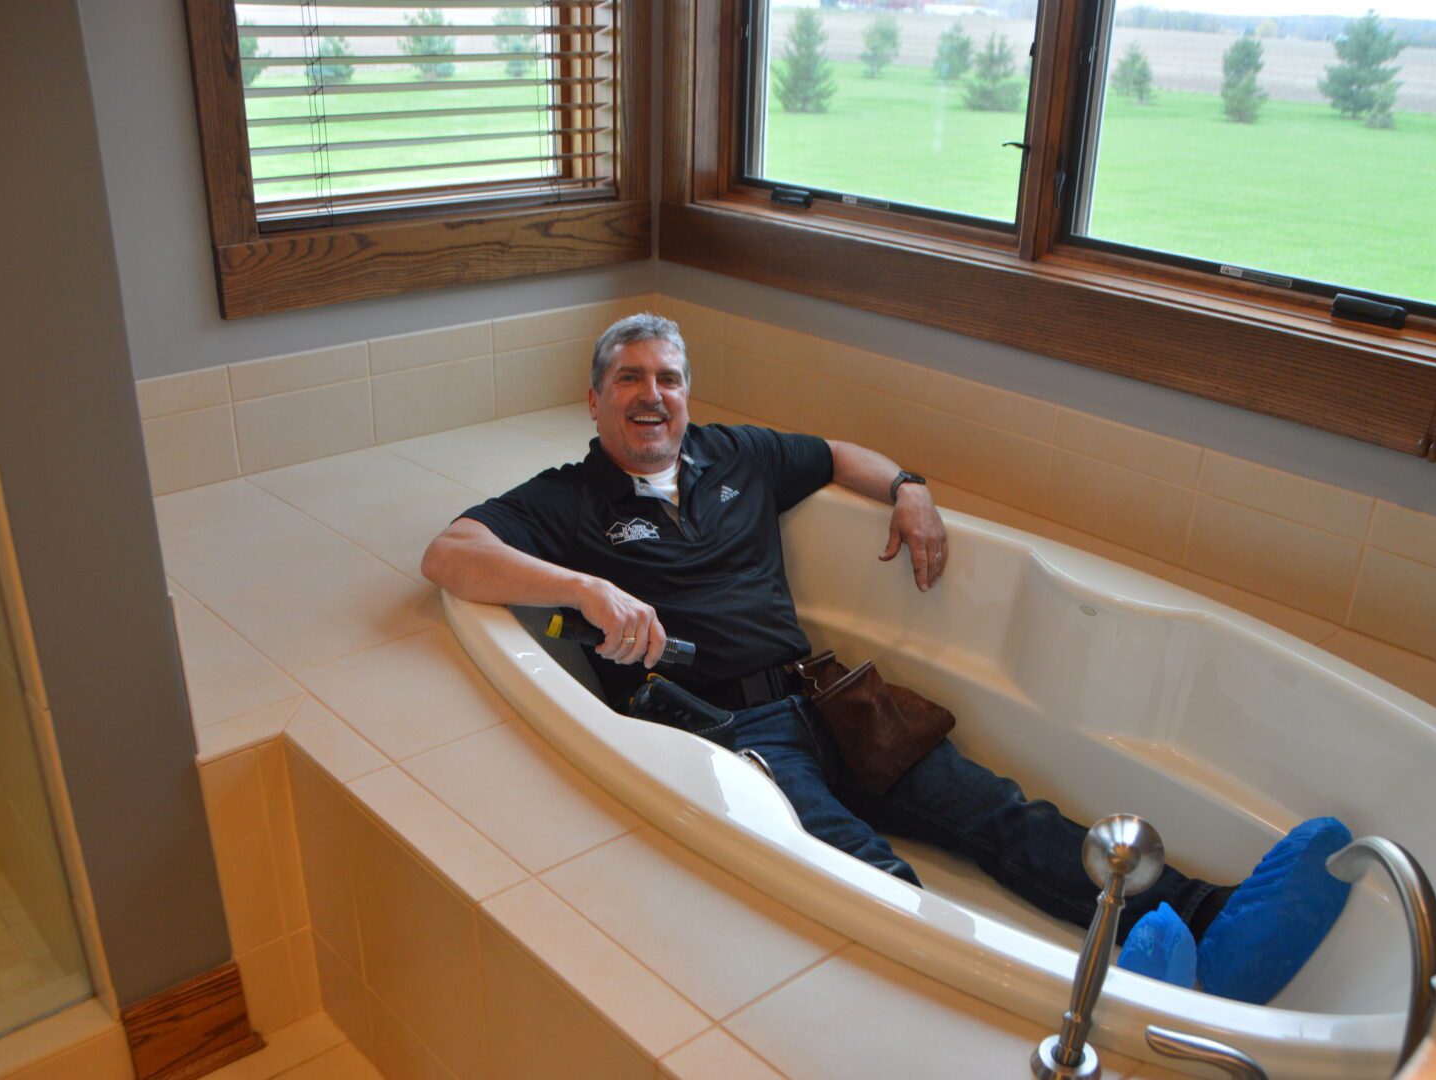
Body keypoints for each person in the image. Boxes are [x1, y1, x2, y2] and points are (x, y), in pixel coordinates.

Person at [422, 313, 1351, 1005]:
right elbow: (449, 553)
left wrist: (909, 490)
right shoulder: (568, 499)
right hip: (724, 727)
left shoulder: (738, 454)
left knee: (995, 812)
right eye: (628, 378)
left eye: (667, 376)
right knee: (860, 868)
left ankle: (1207, 919)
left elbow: (833, 458)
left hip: (824, 697)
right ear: (595, 400)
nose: (650, 395)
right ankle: (1068, 999)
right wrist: (586, 590)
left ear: (688, 394)